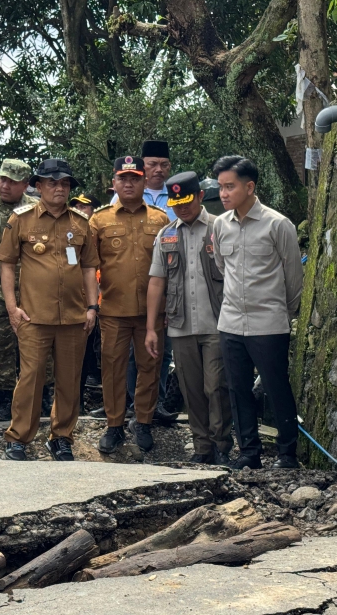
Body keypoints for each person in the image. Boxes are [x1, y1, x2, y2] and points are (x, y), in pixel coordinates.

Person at [0, 159, 99, 461]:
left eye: (65, 183)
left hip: (74, 317)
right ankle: (18, 439)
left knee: (69, 380)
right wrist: (12, 308)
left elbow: (89, 267)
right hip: (33, 316)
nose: (59, 188)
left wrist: (93, 307)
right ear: (38, 186)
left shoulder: (81, 223)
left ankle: (61, 438)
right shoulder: (21, 219)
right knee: (31, 377)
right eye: (52, 183)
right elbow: (6, 265)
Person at [211, 155, 303, 471]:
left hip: (269, 322)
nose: (223, 193)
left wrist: (283, 312)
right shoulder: (220, 226)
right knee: (237, 388)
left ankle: (287, 454)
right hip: (232, 322)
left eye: (230, 186)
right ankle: (249, 452)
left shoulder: (278, 224)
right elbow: (223, 269)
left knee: (277, 388)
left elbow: (294, 277)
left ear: (249, 187)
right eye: (220, 187)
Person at [145, 171, 232, 465]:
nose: (181, 207)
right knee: (191, 389)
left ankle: (222, 444)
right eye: (176, 202)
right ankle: (202, 446)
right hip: (181, 325)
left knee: (216, 386)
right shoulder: (166, 234)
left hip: (218, 323)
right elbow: (157, 281)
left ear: (198, 197)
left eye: (186, 201)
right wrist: (151, 328)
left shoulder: (220, 227)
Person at [90, 156, 170, 453]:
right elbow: (89, 266)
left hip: (152, 314)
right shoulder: (99, 220)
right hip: (113, 311)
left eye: (134, 178)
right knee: (112, 369)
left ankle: (144, 423)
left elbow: (170, 267)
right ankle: (114, 426)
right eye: (122, 178)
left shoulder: (160, 219)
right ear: (114, 182)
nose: (128, 183)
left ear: (144, 180)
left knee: (150, 367)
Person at [121, 141, 177, 424]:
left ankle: (157, 403)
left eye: (163, 165)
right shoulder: (125, 197)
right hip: (130, 286)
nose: (158, 170)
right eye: (152, 164)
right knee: (134, 349)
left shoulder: (177, 197)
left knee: (163, 349)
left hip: (167, 284)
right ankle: (133, 403)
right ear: (141, 167)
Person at [0, 158, 38, 422]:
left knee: (37, 344)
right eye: (2, 179)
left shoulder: (37, 210)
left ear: (25, 184)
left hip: (32, 289)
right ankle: (5, 402)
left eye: (12, 182)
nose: (4, 186)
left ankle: (42, 396)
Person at [70, 193, 102, 395]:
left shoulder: (100, 231)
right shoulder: (70, 233)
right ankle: (77, 399)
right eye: (76, 206)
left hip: (102, 301)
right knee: (77, 353)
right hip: (77, 300)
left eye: (84, 207)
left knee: (99, 351)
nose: (79, 210)